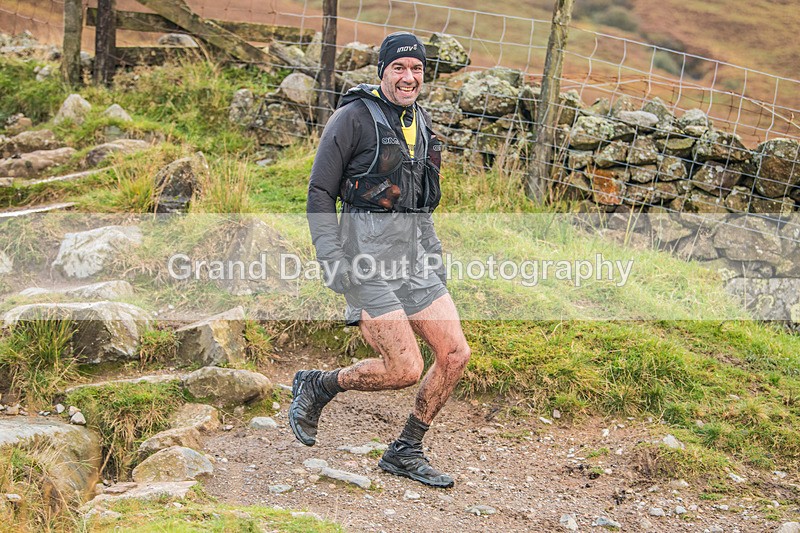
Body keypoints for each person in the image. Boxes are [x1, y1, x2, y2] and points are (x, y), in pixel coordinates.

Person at [290, 32, 472, 489]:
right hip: (364, 261)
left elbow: (420, 202)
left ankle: (405, 450)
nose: (409, 77)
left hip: (414, 261)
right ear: (383, 71)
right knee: (404, 369)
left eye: (417, 69)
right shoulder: (352, 117)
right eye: (399, 68)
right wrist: (331, 258)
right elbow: (319, 192)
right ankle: (320, 384)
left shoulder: (420, 121)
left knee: (454, 354)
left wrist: (433, 256)